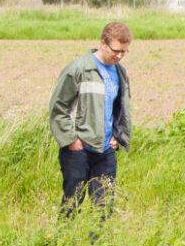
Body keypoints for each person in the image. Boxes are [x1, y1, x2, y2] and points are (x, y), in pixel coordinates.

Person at [49, 22, 134, 217]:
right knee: (72, 204)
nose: (120, 56)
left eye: (124, 52)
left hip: (105, 151)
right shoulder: (79, 69)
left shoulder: (120, 72)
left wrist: (117, 137)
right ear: (103, 43)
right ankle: (63, 244)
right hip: (78, 151)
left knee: (104, 207)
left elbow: (120, 109)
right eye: (116, 50)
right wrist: (71, 140)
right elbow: (58, 107)